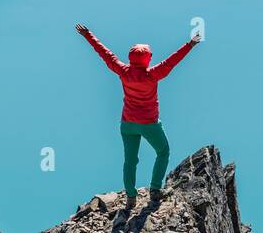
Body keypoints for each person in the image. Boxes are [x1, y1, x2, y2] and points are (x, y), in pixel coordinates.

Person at [76, 23, 200, 211]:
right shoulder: (152, 74)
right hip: (149, 123)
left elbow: (105, 54)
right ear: (147, 59)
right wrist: (190, 44)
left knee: (130, 160)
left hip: (127, 124)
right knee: (163, 151)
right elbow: (172, 61)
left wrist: (88, 35)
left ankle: (131, 197)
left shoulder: (123, 71)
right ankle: (155, 190)